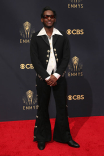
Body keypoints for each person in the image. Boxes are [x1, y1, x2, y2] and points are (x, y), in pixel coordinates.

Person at [30, 6, 80, 150]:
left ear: (55, 19)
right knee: (42, 108)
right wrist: (46, 77)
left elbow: (66, 57)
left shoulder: (62, 36)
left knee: (62, 108)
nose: (49, 18)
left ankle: (64, 136)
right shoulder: (35, 37)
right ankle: (42, 137)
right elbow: (34, 60)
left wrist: (56, 75)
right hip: (42, 79)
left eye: (51, 16)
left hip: (59, 78)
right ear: (42, 19)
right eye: (46, 16)